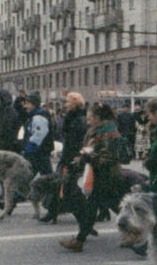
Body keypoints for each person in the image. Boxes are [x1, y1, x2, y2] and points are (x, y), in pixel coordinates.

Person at [60, 103, 126, 253]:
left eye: (90, 118)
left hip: (105, 174)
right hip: (99, 173)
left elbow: (109, 156)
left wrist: (85, 159)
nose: (88, 121)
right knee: (105, 206)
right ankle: (137, 236)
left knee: (109, 207)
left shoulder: (108, 132)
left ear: (98, 118)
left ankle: (79, 240)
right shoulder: (100, 130)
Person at [41, 92, 88, 223]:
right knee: (61, 184)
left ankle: (54, 212)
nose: (65, 105)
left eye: (68, 102)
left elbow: (77, 140)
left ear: (75, 104)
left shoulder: (79, 119)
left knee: (66, 186)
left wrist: (74, 156)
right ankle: (53, 211)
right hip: (68, 155)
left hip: (73, 156)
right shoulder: (72, 117)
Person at [21, 92, 54, 176]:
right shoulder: (34, 116)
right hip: (39, 153)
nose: (25, 106)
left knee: (44, 177)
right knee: (46, 176)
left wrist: (27, 150)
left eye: (27, 104)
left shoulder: (39, 117)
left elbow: (38, 136)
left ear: (34, 104)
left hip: (38, 153)